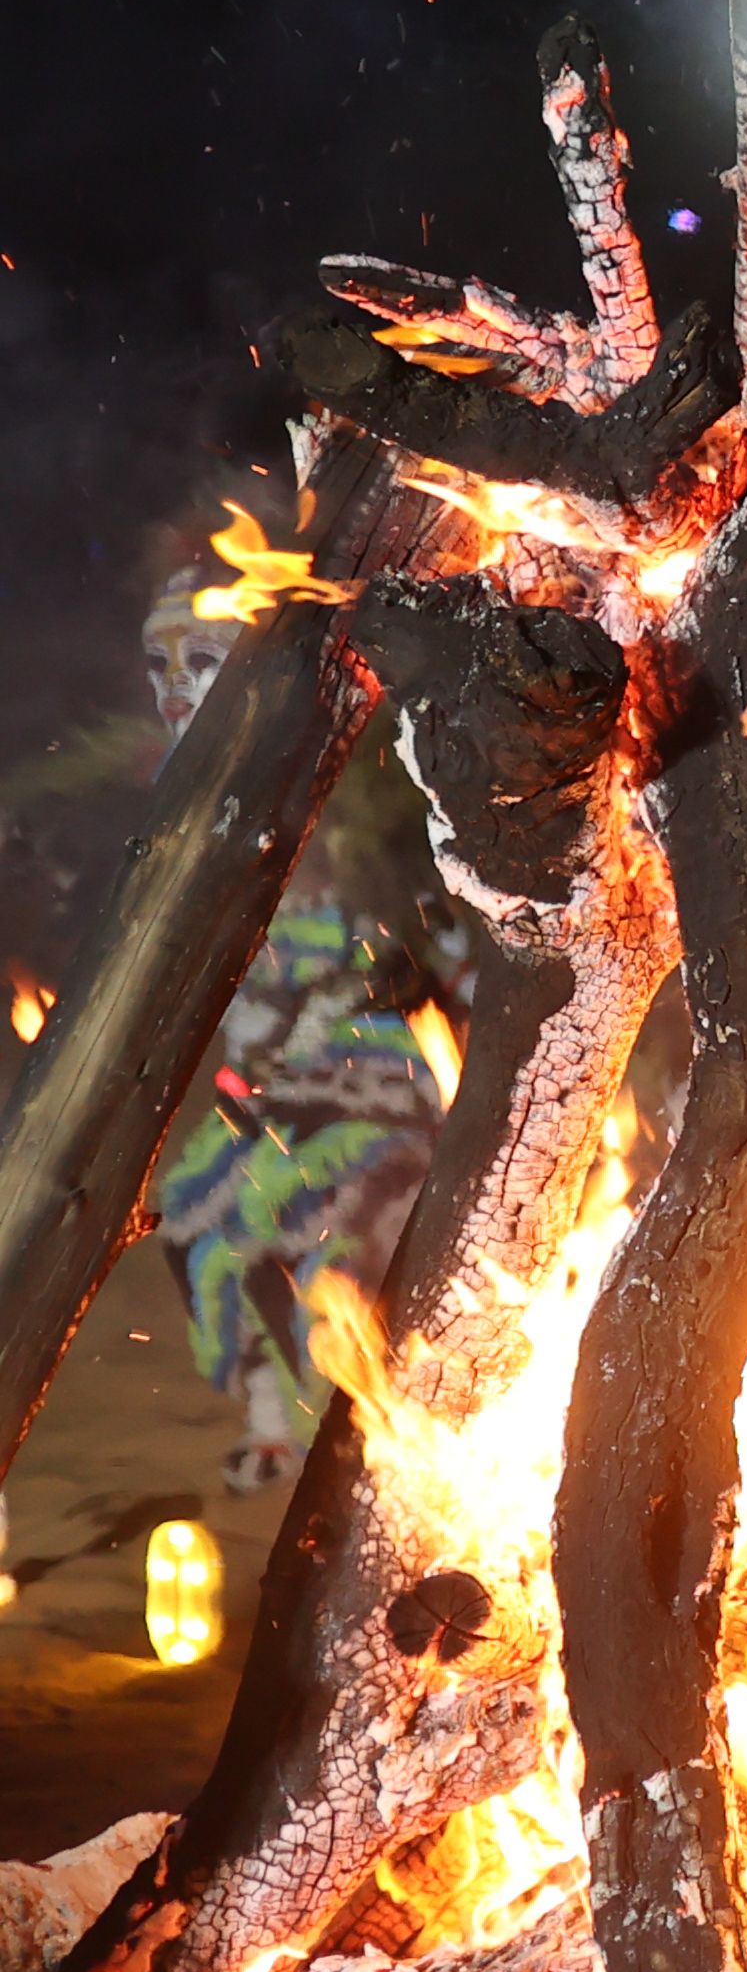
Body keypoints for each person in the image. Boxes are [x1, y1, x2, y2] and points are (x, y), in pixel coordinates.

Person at [134, 582, 441, 1497]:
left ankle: (357, 1437)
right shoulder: (182, 787)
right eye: (160, 665)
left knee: (314, 1227)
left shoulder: (332, 767)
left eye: (203, 660)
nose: (176, 686)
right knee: (190, 1213)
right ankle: (271, 1416)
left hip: (380, 1072)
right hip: (273, 1077)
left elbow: (395, 938)